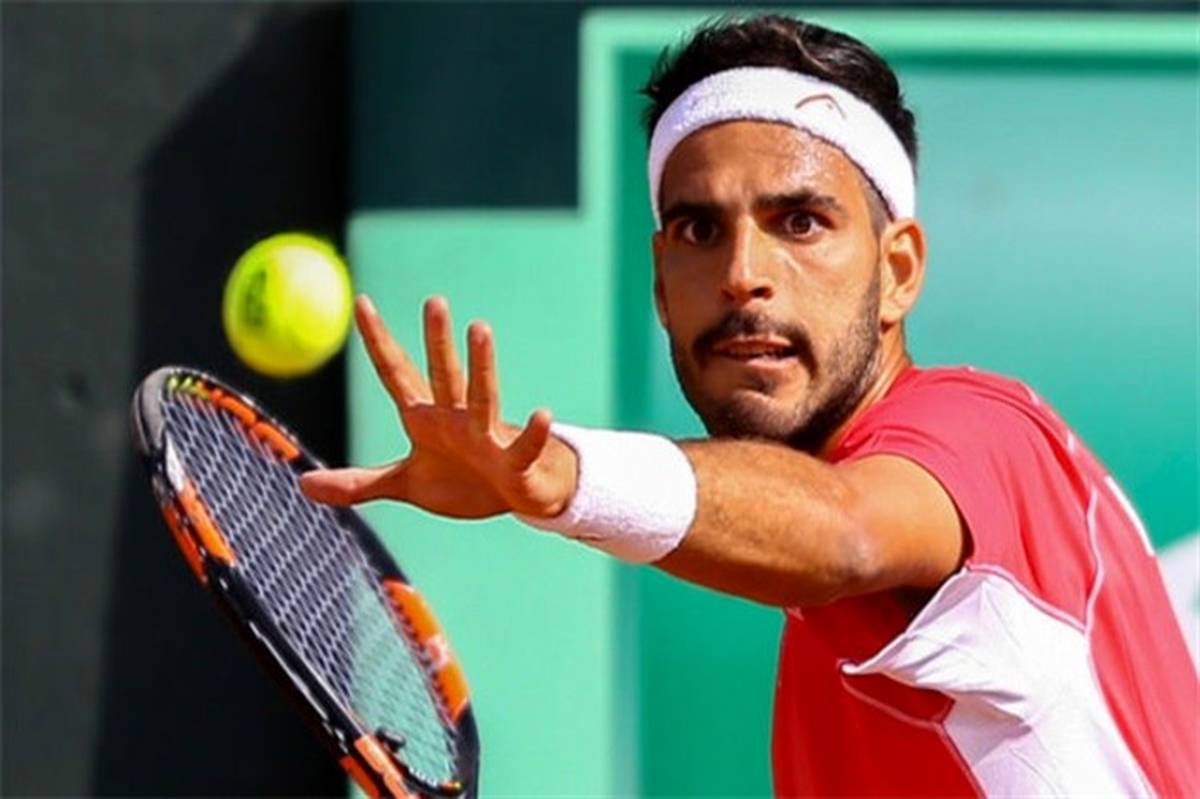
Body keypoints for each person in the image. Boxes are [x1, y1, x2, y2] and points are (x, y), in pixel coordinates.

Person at [302, 14, 1197, 797]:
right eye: (700, 229)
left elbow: (844, 531)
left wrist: (563, 477)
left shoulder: (989, 433)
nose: (741, 274)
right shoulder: (818, 676)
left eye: (800, 222)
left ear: (897, 272)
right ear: (661, 285)